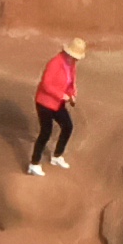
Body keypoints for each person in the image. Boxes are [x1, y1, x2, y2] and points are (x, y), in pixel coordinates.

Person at [27, 38, 86, 175]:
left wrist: (72, 93)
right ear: (68, 53)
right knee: (45, 132)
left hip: (57, 104)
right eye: (74, 57)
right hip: (45, 103)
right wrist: (62, 95)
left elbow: (71, 82)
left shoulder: (72, 65)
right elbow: (46, 85)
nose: (75, 60)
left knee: (68, 126)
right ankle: (34, 164)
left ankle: (57, 156)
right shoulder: (54, 63)